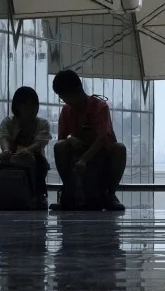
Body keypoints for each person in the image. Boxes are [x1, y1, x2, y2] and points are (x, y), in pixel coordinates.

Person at [51, 69, 127, 211]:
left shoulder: (99, 107)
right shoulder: (67, 110)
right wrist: (70, 139)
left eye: (65, 96)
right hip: (78, 154)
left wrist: (84, 159)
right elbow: (61, 138)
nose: (64, 100)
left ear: (78, 90)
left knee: (119, 149)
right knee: (60, 146)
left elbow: (103, 138)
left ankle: (110, 194)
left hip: (100, 154)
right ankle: (68, 190)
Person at [0, 86, 53, 209]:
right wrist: (6, 151)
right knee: (1, 160)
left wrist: (28, 150)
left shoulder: (42, 123)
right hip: (12, 157)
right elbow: (4, 137)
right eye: (28, 105)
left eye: (35, 105)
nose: (33, 109)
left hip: (35, 159)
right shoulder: (8, 122)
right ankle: (2, 195)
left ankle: (38, 195)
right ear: (18, 106)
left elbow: (40, 142)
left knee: (40, 162)